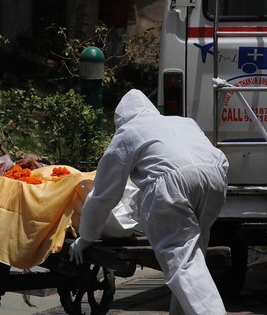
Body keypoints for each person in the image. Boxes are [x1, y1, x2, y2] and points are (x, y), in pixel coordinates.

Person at [69, 89, 229, 315]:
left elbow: (104, 194)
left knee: (183, 263)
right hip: (216, 178)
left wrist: (86, 236)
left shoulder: (129, 131)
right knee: (194, 258)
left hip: (172, 184)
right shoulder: (184, 122)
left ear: (121, 119)